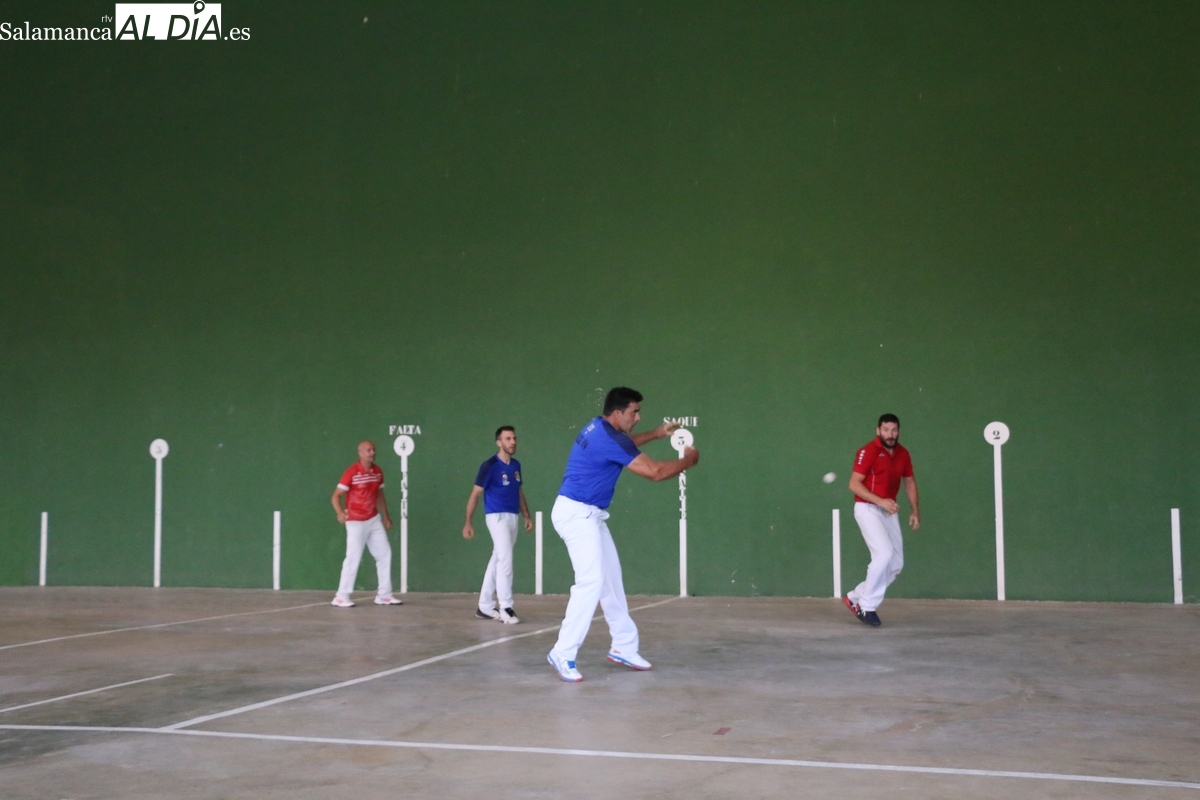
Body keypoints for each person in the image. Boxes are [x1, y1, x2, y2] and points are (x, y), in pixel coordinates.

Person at [546, 387, 699, 682]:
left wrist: (656, 434)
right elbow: (655, 472)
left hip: (590, 515)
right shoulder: (606, 437)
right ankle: (562, 652)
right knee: (590, 582)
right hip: (576, 515)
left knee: (611, 581)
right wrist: (688, 461)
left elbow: (625, 443)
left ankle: (624, 647)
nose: (638, 417)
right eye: (634, 412)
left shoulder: (599, 426)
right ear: (618, 413)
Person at [843, 414, 919, 627]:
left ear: (899, 431)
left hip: (888, 511)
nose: (890, 434)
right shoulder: (868, 451)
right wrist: (881, 501)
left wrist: (915, 510)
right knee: (883, 554)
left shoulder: (903, 454)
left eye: (894, 430)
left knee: (895, 564)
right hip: (867, 508)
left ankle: (855, 597)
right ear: (878, 431)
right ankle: (867, 607)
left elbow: (910, 482)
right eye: (886, 430)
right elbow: (854, 484)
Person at [463, 426, 533, 624]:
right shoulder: (490, 466)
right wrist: (468, 522)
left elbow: (518, 492)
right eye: (508, 439)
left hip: (512, 517)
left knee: (498, 559)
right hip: (496, 517)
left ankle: (485, 606)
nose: (512, 442)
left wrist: (526, 515)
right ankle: (506, 607)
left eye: (514, 438)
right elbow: (475, 494)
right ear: (499, 442)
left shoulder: (516, 465)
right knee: (505, 561)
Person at [330, 441, 403, 608]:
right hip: (355, 521)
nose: (372, 452)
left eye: (373, 450)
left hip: (373, 519)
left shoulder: (378, 472)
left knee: (384, 554)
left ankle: (384, 595)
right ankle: (341, 596)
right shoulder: (351, 472)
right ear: (360, 453)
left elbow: (379, 494)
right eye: (368, 450)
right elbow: (336, 495)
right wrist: (340, 512)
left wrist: (386, 517)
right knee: (353, 557)